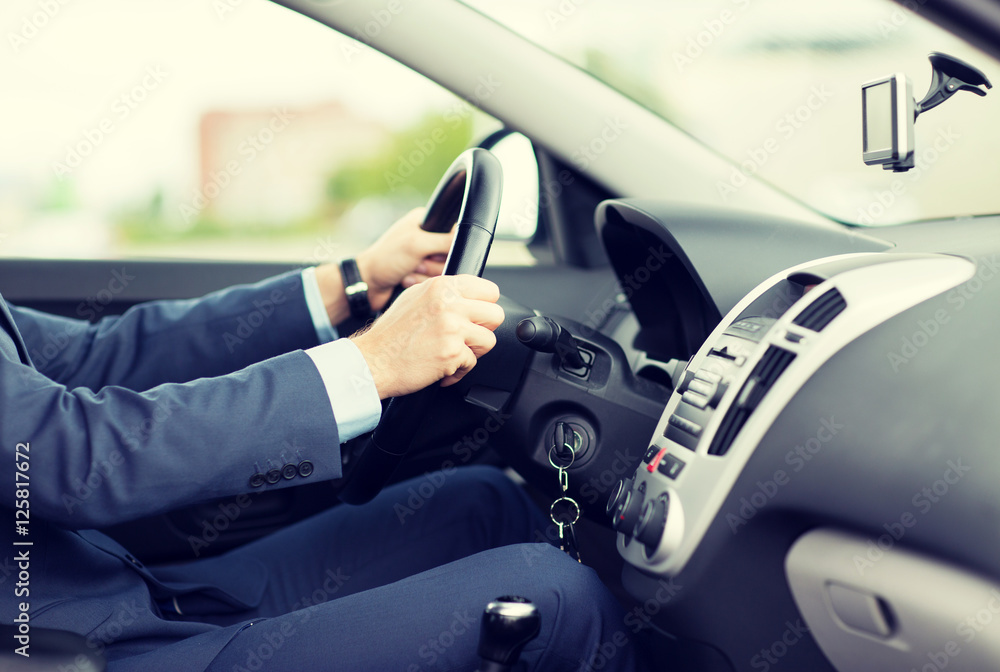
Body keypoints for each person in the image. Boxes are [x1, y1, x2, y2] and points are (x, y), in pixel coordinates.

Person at [0, 209, 638, 671]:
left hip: (122, 593)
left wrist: (355, 282)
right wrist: (371, 364)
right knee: (556, 599)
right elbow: (64, 457)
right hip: (74, 649)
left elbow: (94, 358)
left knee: (483, 505)